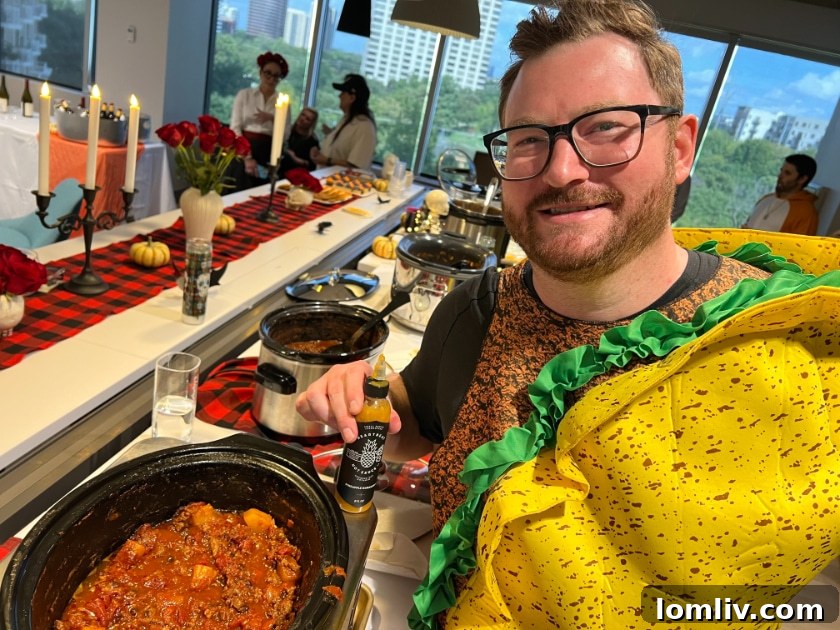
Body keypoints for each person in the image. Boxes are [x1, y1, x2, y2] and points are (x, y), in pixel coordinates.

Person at [296, 1, 840, 628]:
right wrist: (368, 406)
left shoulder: (795, 353)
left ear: (682, 146)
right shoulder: (475, 308)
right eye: (529, 139)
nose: (560, 170)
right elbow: (419, 421)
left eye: (608, 127)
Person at [229, 51, 292, 181]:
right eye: (268, 73)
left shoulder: (283, 101)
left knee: (260, 193)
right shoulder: (244, 95)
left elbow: (285, 135)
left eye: (276, 76)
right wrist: (247, 156)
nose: (271, 79)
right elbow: (235, 128)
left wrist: (274, 119)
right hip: (244, 147)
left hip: (268, 151)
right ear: (260, 73)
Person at [310, 74, 376, 171]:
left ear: (352, 98)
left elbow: (356, 165)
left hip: (341, 183)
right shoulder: (347, 120)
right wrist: (320, 154)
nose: (339, 96)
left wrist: (326, 160)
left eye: (343, 92)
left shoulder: (364, 126)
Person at [743, 154, 819, 235]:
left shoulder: (806, 213)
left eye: (787, 173)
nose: (779, 176)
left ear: (802, 179)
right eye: (781, 171)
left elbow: (799, 246)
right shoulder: (767, 198)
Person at [279, 107, 320, 175]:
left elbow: (312, 166)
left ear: (311, 124)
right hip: (279, 170)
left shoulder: (312, 141)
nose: (303, 119)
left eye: (307, 119)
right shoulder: (287, 131)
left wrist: (295, 158)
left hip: (295, 174)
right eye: (302, 115)